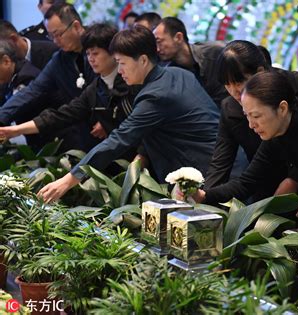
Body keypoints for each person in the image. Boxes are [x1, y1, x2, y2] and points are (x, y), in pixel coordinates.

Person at [36, 26, 219, 204]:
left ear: (143, 60)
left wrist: (68, 180)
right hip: (219, 163)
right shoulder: (177, 73)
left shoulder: (155, 95)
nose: (120, 70)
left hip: (206, 174)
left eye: (122, 63)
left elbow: (119, 139)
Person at [193, 71, 298, 236]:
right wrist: (204, 195)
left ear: (282, 108)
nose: (251, 125)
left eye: (256, 116)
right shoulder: (276, 135)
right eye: (247, 116)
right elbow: (246, 183)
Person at [204, 40, 298, 200]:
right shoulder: (230, 108)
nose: (234, 92)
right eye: (227, 85)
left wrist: (296, 178)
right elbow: (221, 161)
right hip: (262, 184)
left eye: (238, 82)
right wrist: (203, 198)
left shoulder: (297, 84)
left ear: (260, 71)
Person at [0, 24, 138, 152]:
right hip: (106, 150)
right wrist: (15, 131)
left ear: (113, 53)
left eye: (95, 53)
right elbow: (62, 115)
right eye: (88, 54)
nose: (90, 59)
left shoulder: (133, 80)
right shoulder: (93, 88)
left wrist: (108, 123)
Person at [0, 3, 97, 152]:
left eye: (58, 34)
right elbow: (33, 90)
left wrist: (105, 119)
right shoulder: (59, 59)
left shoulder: (102, 46)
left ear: (76, 26)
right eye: (51, 36)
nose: (55, 41)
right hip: (82, 134)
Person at [153, 17, 228, 107]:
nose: (157, 49)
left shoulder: (216, 51)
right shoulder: (169, 73)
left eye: (159, 42)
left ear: (178, 37)